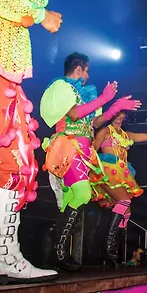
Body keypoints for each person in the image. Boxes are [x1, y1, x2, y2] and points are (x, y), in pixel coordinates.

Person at [0, 0, 65, 283]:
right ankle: (6, 255)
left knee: (15, 157)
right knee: (15, 157)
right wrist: (41, 14)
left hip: (9, 65)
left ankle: (6, 253)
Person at [40, 52, 141, 271]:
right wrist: (103, 99)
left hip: (84, 151)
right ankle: (58, 252)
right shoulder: (62, 87)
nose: (87, 75)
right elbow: (74, 115)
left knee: (71, 198)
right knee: (83, 193)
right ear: (79, 69)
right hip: (69, 146)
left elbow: (95, 122)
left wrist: (114, 107)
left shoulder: (86, 93)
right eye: (86, 71)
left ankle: (58, 253)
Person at [90, 107, 147, 261]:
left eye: (122, 114)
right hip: (107, 172)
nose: (119, 117)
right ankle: (107, 245)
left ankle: (113, 250)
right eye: (117, 113)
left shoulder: (127, 135)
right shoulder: (105, 131)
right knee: (124, 201)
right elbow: (92, 150)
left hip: (121, 174)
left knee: (126, 213)